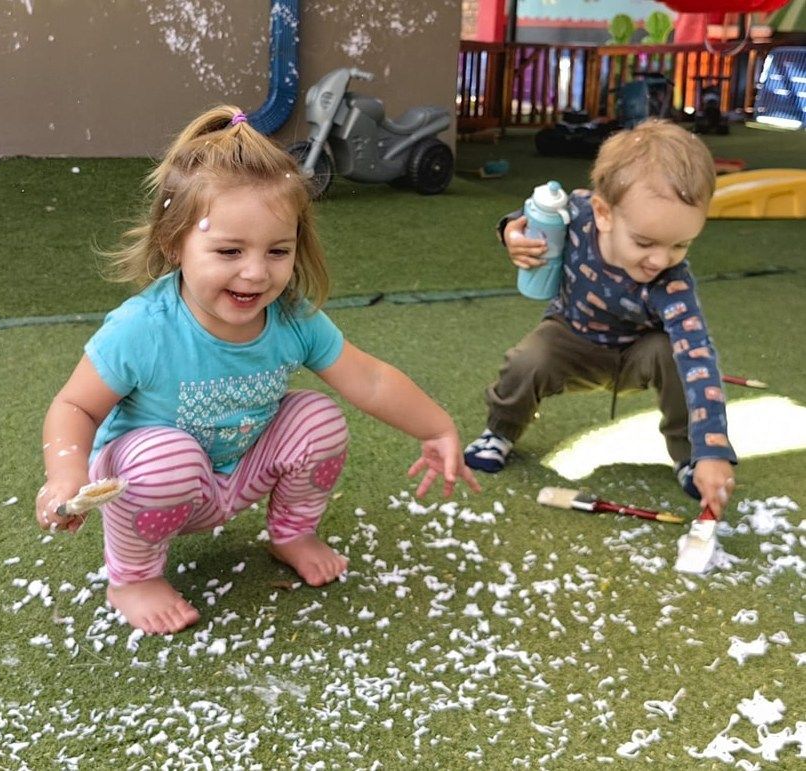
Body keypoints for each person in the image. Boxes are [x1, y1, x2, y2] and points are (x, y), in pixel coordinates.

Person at [35, 106, 479, 635]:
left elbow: (372, 379)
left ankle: (292, 533)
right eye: (228, 250)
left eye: (277, 251)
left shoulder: (292, 319)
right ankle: (131, 577)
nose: (255, 271)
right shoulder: (142, 329)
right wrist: (66, 474)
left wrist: (438, 428)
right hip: (149, 483)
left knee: (318, 416)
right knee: (168, 458)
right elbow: (75, 405)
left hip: (236, 472)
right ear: (174, 243)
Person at [464, 120, 736, 517]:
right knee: (528, 359)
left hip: (638, 353)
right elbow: (531, 214)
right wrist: (511, 232)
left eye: (681, 244)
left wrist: (713, 448)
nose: (660, 260)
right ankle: (499, 431)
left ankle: (691, 456)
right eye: (644, 242)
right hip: (571, 335)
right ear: (603, 213)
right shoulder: (573, 212)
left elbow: (699, 360)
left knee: (674, 353)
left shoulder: (672, 281)